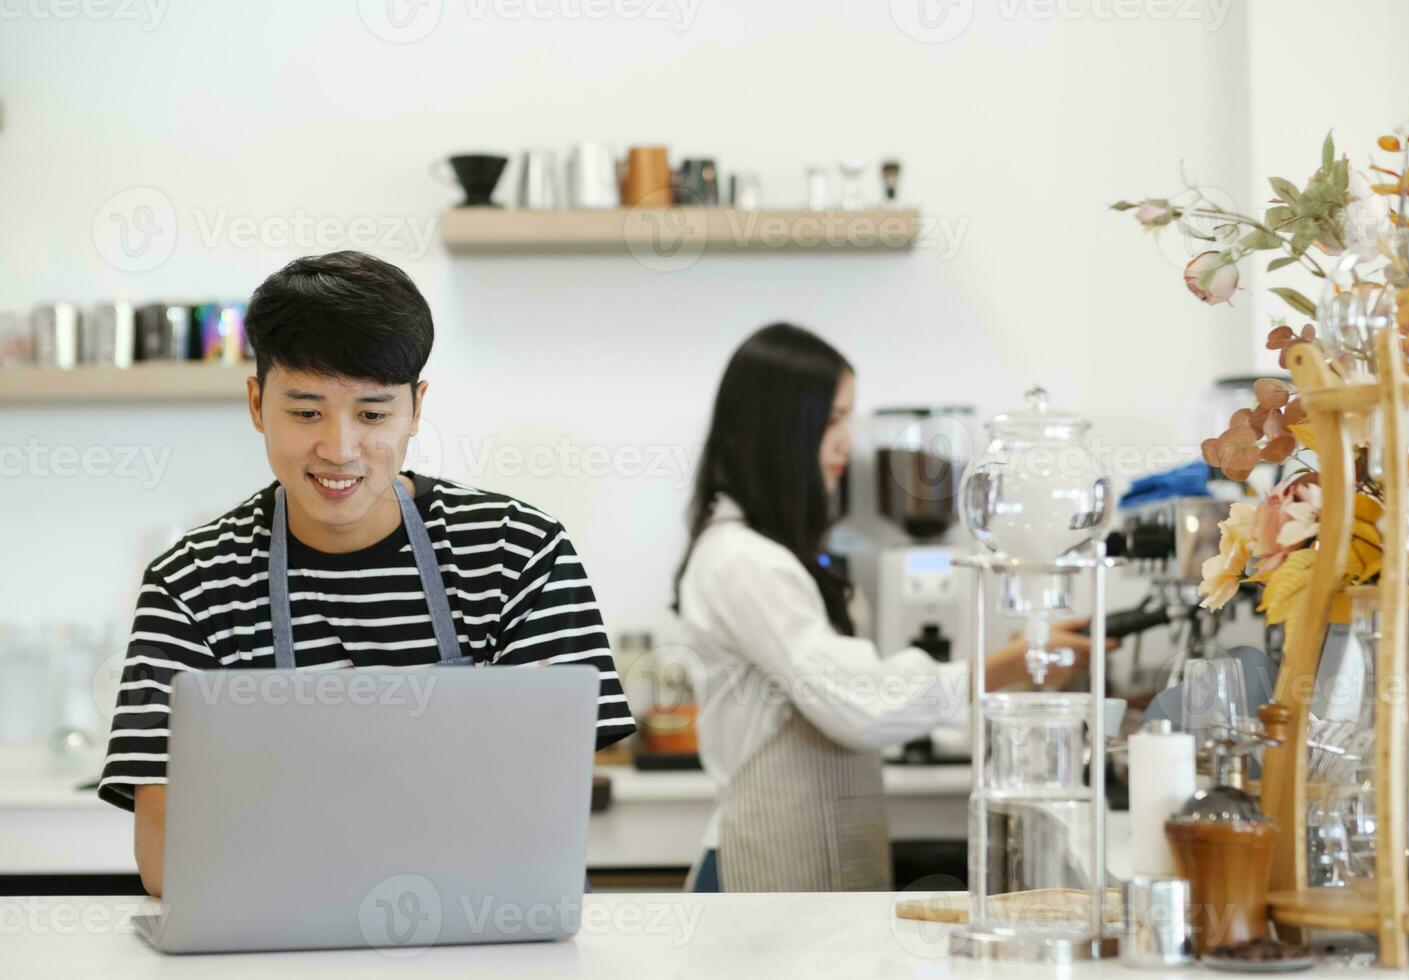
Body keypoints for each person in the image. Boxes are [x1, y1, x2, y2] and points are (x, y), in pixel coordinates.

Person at [98, 251, 636, 897]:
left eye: (373, 414)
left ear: (416, 408)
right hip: (271, 939)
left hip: (479, 937)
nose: (340, 447)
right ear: (254, 402)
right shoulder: (190, 583)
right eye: (305, 412)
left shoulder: (516, 551)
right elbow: (167, 851)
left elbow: (547, 807)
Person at [674, 323, 1100, 893]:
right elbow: (863, 704)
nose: (847, 443)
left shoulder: (776, 555)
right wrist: (1011, 665)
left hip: (814, 863)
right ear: (777, 431)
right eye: (831, 421)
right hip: (762, 867)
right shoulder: (740, 561)